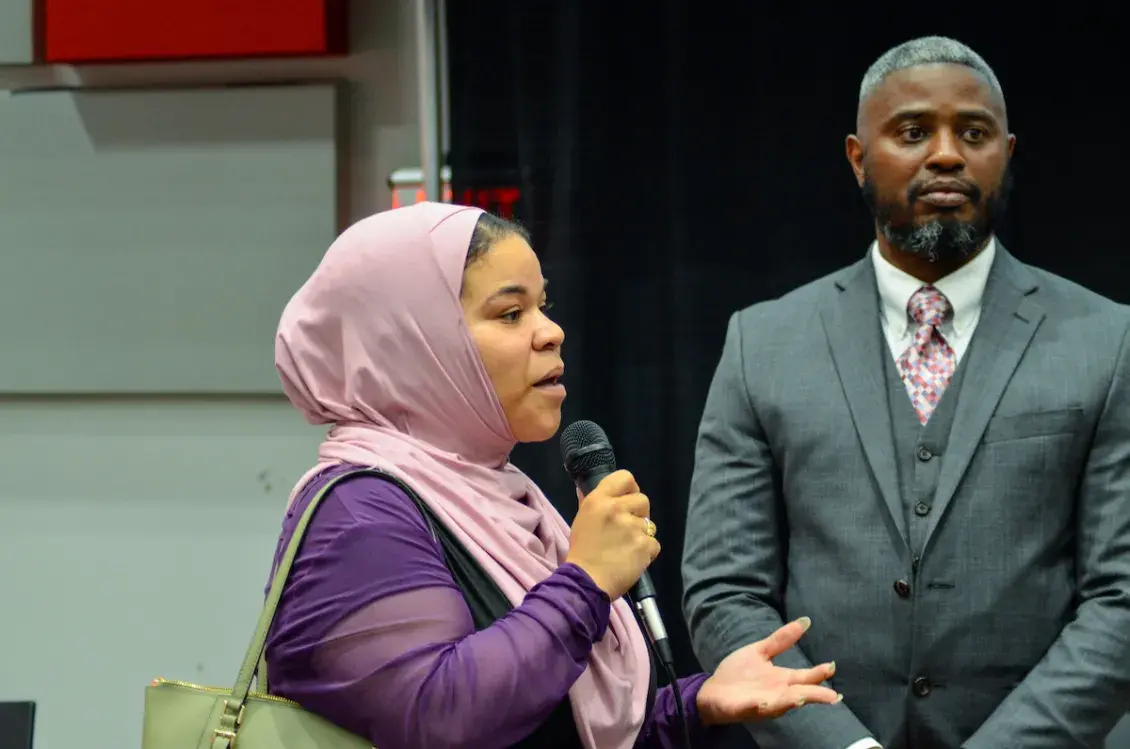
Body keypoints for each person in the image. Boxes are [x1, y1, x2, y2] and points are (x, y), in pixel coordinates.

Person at [681, 35, 1130, 749]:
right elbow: (725, 592)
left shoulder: (1108, 341)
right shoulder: (760, 344)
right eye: (914, 131)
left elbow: (1123, 597)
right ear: (859, 156)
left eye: (974, 133)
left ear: (1007, 153)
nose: (947, 153)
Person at [264, 201, 841, 749]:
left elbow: (562, 728)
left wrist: (698, 702)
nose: (550, 332)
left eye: (544, 306)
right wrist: (586, 581)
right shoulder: (359, 512)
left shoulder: (503, 499)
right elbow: (437, 720)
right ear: (413, 342)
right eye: (511, 313)